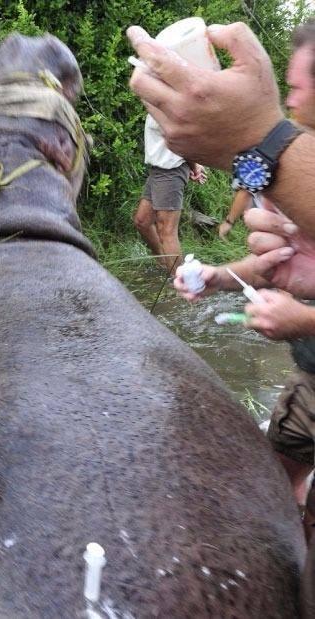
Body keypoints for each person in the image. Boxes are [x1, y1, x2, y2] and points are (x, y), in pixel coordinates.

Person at [173, 18, 315, 540]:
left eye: (297, 87)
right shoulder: (306, 164)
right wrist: (217, 276)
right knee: (280, 472)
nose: (290, 100)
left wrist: (301, 318)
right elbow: (280, 263)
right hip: (310, 382)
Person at [127, 22, 315, 239]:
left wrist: (258, 138)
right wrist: (222, 274)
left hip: (171, 171)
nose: (289, 101)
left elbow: (249, 182)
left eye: (296, 88)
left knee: (165, 228)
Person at [133, 114, 206, 270]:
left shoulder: (168, 108)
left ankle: (179, 283)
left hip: (170, 170)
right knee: (143, 221)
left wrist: (194, 167)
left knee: (167, 231)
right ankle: (164, 262)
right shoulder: (155, 103)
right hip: (158, 170)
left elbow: (181, 142)